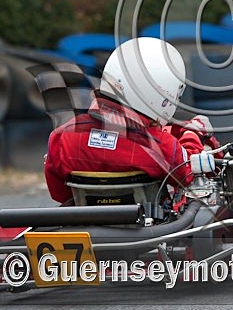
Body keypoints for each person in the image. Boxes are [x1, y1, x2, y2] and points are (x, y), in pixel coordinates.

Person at [44, 37, 219, 204]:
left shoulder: (62, 136)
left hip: (87, 225)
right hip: (148, 232)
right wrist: (193, 133)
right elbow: (189, 175)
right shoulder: (161, 146)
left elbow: (59, 194)